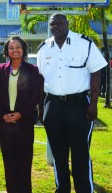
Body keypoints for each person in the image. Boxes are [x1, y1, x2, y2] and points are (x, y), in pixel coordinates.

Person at [37, 13, 107, 193]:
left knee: (80, 154)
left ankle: (84, 190)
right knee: (59, 155)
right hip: (52, 105)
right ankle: (63, 190)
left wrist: (93, 104)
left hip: (78, 105)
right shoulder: (44, 48)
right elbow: (40, 79)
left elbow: (96, 73)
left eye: (60, 23)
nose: (56, 27)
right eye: (53, 24)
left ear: (67, 24)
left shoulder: (84, 43)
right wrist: (40, 107)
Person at [0, 36, 40, 193]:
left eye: (18, 47)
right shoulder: (0, 70)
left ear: (23, 49)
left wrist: (21, 114)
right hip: (5, 124)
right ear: (7, 51)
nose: (15, 50)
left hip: (24, 122)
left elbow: (35, 96)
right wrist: (2, 114)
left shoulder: (33, 70)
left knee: (24, 162)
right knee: (9, 163)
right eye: (11, 48)